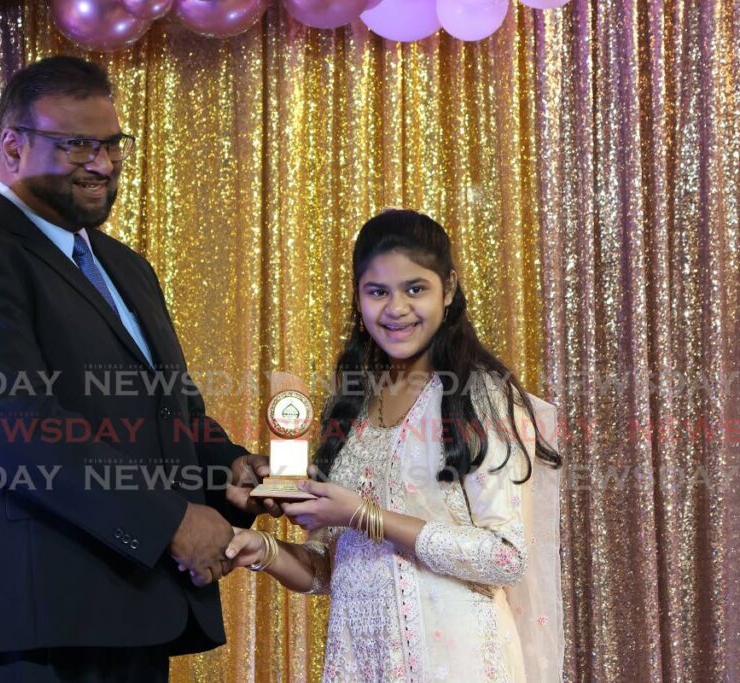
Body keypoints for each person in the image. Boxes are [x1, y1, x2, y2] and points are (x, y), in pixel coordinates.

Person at [0, 55, 279, 682]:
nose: (101, 164)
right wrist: (173, 523)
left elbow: (170, 409)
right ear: (12, 149)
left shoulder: (124, 267)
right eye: (75, 145)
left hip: (128, 613)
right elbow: (16, 427)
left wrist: (227, 470)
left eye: (110, 144)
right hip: (19, 630)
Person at [226, 210, 564, 682]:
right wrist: (263, 550)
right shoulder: (354, 406)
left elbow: (506, 556)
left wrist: (365, 515)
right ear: (358, 298)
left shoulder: (477, 398)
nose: (396, 308)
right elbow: (332, 569)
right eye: (378, 291)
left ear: (448, 290)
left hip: (455, 662)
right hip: (362, 664)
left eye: (415, 289)